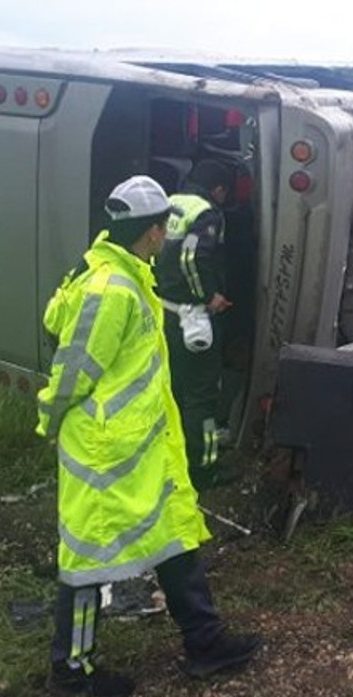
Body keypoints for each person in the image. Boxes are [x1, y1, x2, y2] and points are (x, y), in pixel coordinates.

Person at [37, 175, 261, 697]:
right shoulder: (111, 288)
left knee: (172, 536)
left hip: (139, 446)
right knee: (88, 559)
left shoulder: (120, 271)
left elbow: (55, 321)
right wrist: (51, 419)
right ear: (156, 232)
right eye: (164, 229)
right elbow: (73, 370)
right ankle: (71, 671)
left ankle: (205, 642)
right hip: (106, 451)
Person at [155, 159, 234, 489]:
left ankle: (168, 457)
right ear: (218, 189)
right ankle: (204, 469)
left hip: (165, 311)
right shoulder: (205, 213)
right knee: (202, 396)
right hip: (192, 317)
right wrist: (209, 296)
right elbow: (193, 257)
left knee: (172, 389)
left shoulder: (170, 202)